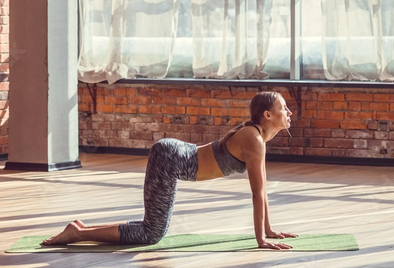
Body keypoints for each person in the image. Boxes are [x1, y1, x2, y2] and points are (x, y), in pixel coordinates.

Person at [42, 91, 298, 251]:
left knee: (150, 228)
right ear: (267, 115)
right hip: (171, 159)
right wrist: (261, 241)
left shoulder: (257, 138)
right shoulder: (253, 138)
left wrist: (268, 230)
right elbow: (256, 194)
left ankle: (81, 228)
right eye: (283, 108)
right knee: (151, 234)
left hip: (173, 156)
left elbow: (261, 191)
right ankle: (79, 233)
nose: (288, 112)